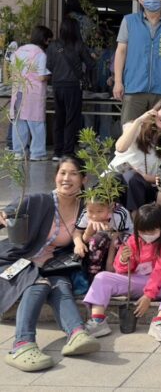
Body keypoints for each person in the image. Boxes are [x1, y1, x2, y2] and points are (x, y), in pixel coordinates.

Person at [0, 157, 101, 372]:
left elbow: (83, 236)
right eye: (62, 173)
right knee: (38, 284)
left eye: (73, 173)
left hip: (50, 264)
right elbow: (8, 214)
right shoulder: (37, 201)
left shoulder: (85, 208)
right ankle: (21, 344)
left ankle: (77, 333)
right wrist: (4, 217)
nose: (66, 178)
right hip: (15, 261)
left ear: (84, 179)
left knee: (60, 284)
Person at [83, 203, 161, 342]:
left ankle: (160, 321)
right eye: (144, 231)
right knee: (102, 277)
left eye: (152, 231)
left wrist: (148, 296)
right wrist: (123, 260)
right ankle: (98, 321)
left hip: (160, 285)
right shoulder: (133, 240)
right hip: (136, 282)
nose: (148, 235)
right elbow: (121, 270)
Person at [109, 97, 161, 216]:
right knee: (123, 177)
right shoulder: (135, 126)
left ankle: (135, 221)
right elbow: (120, 147)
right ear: (156, 110)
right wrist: (139, 121)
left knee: (134, 179)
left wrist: (144, 176)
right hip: (117, 179)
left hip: (143, 187)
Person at [47, 17, 93, 159]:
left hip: (57, 86)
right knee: (71, 119)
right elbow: (90, 64)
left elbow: (49, 66)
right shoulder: (79, 45)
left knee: (58, 118)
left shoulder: (53, 46)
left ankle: (57, 152)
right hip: (73, 86)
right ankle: (68, 151)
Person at [74, 182, 132, 280]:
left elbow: (117, 237)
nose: (94, 216)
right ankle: (94, 274)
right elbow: (77, 232)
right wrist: (79, 243)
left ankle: (118, 271)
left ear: (111, 207)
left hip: (118, 242)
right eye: (91, 211)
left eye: (100, 211)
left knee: (122, 240)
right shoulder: (86, 212)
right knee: (99, 238)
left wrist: (110, 263)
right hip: (97, 244)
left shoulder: (120, 214)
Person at [10, 25, 52, 161]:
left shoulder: (18, 51)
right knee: (36, 122)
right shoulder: (40, 54)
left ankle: (19, 152)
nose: (49, 43)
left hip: (18, 91)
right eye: (49, 40)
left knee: (19, 122)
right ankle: (37, 153)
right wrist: (49, 76)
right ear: (44, 39)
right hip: (34, 93)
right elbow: (41, 77)